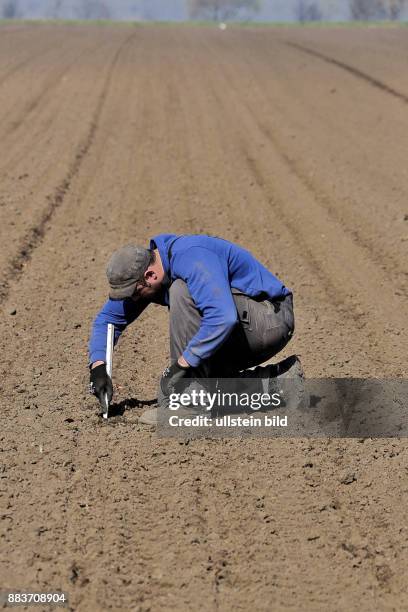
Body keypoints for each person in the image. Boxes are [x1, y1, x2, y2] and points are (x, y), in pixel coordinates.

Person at [89, 233, 301, 425]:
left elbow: (223, 317)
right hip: (242, 325)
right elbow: (108, 319)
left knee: (181, 290)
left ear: (150, 276)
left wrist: (182, 365)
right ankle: (279, 384)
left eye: (134, 293)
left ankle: (188, 406)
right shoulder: (151, 274)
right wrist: (99, 366)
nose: (132, 300)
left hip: (269, 319)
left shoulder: (191, 257)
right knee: (187, 387)